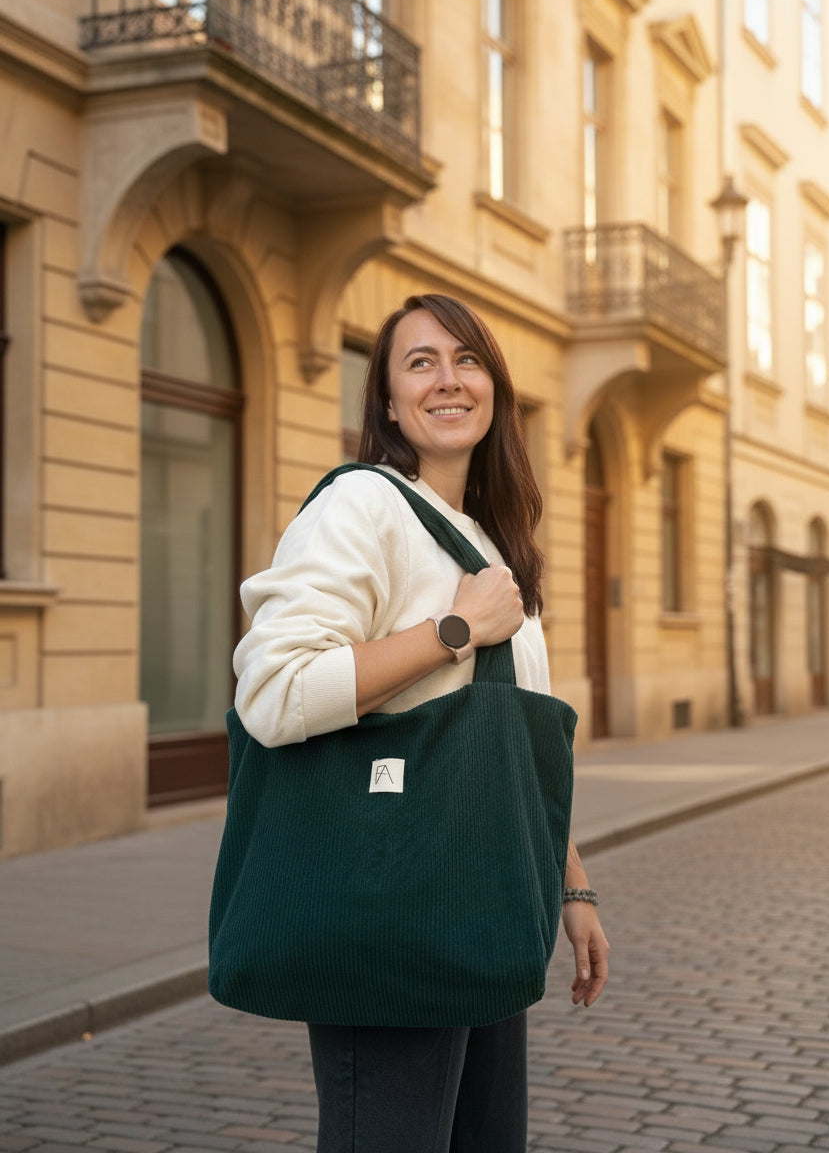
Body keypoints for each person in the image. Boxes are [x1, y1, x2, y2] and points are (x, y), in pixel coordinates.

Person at [233, 293, 609, 1153]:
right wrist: (454, 630)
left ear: (496, 392)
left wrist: (571, 883)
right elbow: (276, 690)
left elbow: (512, 744)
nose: (448, 379)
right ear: (390, 403)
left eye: (468, 359)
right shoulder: (361, 508)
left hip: (486, 905)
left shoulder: (490, 542)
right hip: (393, 912)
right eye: (420, 362)